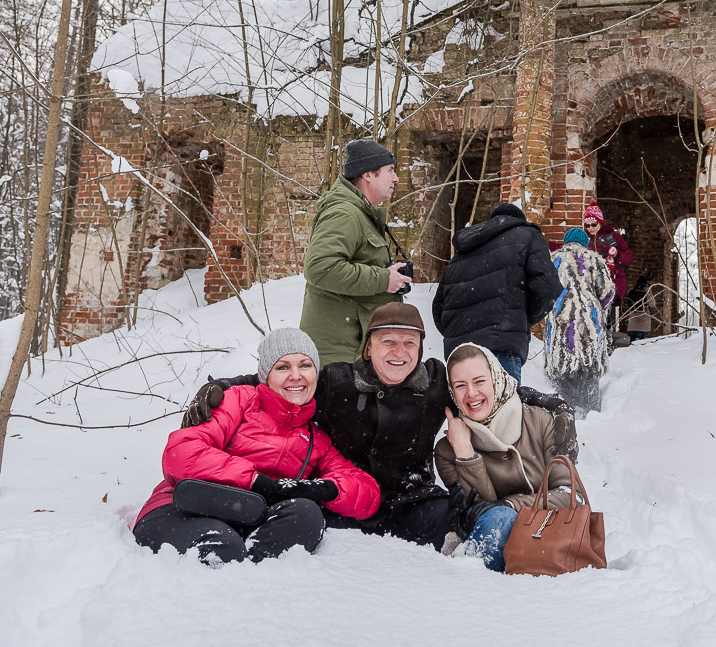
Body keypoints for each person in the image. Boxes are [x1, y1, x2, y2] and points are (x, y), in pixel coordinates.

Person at [183, 303, 577, 551]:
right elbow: (284, 380)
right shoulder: (337, 381)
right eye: (388, 342)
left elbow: (492, 386)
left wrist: (552, 404)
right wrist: (220, 387)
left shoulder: (436, 383)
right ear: (368, 347)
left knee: (462, 518)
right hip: (343, 501)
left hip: (411, 500)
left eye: (409, 343)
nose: (399, 352)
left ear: (420, 349)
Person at [133, 328, 380, 565]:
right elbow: (181, 454)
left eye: (305, 365)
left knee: (307, 514)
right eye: (283, 367)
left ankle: (252, 573)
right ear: (265, 375)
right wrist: (256, 481)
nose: (296, 375)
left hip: (251, 518)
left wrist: (324, 490)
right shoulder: (238, 401)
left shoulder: (316, 440)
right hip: (183, 509)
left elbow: (367, 493)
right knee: (222, 545)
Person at [435, 343, 577, 573]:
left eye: (479, 381)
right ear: (452, 392)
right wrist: (465, 454)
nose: (471, 393)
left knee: (501, 515)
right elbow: (480, 507)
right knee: (497, 519)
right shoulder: (447, 450)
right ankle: (467, 590)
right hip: (498, 544)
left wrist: (512, 505)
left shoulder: (539, 421)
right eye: (460, 385)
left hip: (550, 534)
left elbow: (570, 494)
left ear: (497, 378)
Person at [300, 138, 412, 365]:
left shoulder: (360, 214)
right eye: (390, 170)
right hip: (340, 356)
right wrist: (383, 280)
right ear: (368, 175)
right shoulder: (345, 213)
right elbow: (320, 268)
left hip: (354, 350)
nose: (396, 178)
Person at [432, 202, 561, 384]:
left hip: (460, 353)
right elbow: (547, 289)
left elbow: (438, 307)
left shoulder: (464, 248)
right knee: (503, 410)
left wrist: (460, 332)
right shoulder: (528, 236)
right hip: (501, 347)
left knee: (468, 410)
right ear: (518, 221)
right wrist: (518, 317)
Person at [545, 228, 616, 416]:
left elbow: (542, 290)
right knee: (589, 369)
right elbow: (607, 292)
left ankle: (563, 414)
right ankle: (591, 413)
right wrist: (594, 307)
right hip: (589, 325)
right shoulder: (594, 260)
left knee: (561, 369)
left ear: (565, 241)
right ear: (585, 242)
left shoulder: (553, 260)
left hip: (560, 324)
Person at [582, 204, 633, 306]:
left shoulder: (612, 237)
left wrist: (616, 253)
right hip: (591, 286)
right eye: (587, 225)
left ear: (600, 222)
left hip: (612, 283)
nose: (590, 228)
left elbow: (629, 259)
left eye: (594, 224)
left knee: (607, 317)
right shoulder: (584, 239)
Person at [624, 272, 660, 343]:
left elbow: (628, 304)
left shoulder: (632, 290)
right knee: (642, 344)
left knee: (632, 343)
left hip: (633, 320)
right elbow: (652, 304)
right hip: (643, 320)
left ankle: (630, 353)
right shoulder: (647, 291)